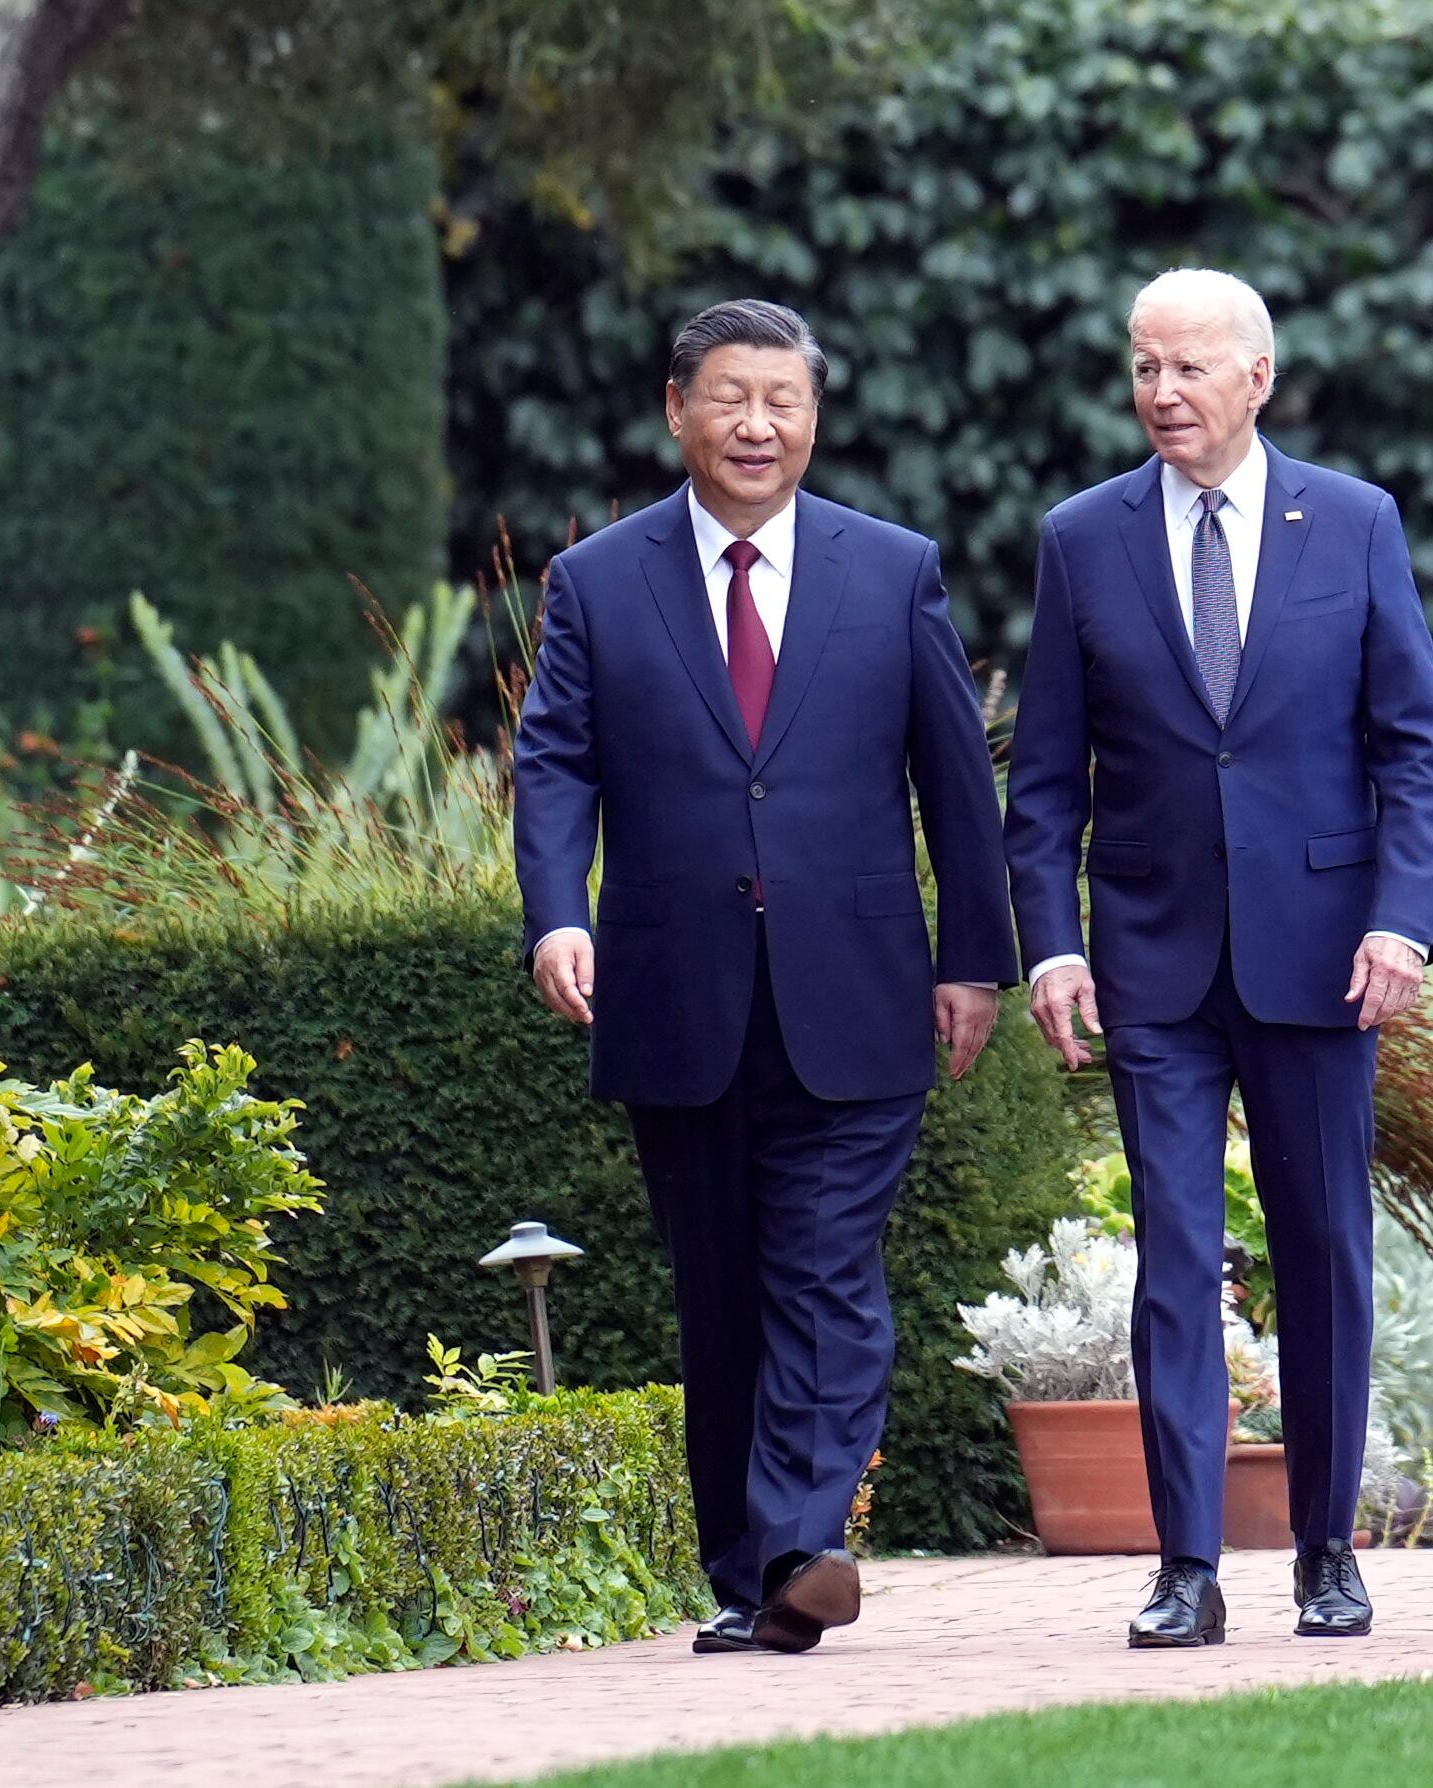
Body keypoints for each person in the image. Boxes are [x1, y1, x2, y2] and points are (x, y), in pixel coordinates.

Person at [514, 299, 1015, 1654]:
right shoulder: (598, 581)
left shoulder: (890, 567)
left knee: (825, 1267)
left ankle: (803, 1539)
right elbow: (555, 759)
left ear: (813, 415)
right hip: (677, 995)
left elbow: (952, 781)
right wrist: (558, 913)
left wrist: (977, 957)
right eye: (730, 397)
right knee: (722, 1289)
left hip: (854, 988)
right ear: (676, 407)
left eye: (782, 400)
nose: (757, 424)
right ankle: (750, 1576)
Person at [1003, 268, 1433, 1647]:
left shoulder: (1355, 524)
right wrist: (1052, 945)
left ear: (1256, 377)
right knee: (1174, 1257)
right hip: (1151, 960)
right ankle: (1184, 1569)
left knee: (1323, 1249)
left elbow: (1412, 748)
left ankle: (1326, 1552)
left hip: (1321, 961)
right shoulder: (1081, 540)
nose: (1162, 394)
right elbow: (1044, 781)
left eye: (1189, 368)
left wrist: (1401, 918)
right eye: (1144, 368)